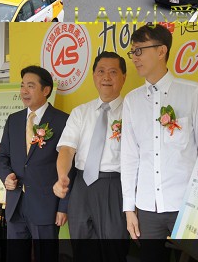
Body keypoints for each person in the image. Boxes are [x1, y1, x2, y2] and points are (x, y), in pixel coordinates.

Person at [121, 24, 198, 259]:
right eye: (132, 52)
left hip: (186, 204)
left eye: (139, 50)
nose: (134, 58)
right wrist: (129, 208)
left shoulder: (193, 93)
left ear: (161, 51)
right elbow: (130, 157)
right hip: (147, 208)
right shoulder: (132, 101)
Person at [53, 52, 128, 260]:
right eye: (101, 71)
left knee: (114, 250)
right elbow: (67, 149)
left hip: (115, 187)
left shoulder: (132, 111)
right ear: (94, 76)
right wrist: (62, 176)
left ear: (124, 77)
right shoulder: (80, 112)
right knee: (82, 250)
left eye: (113, 72)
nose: (106, 77)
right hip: (81, 187)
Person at [0, 66, 70, 261]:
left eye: (30, 86)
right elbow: (2, 156)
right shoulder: (13, 120)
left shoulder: (63, 121)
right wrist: (6, 177)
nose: (24, 91)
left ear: (46, 90)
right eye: (22, 86)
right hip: (16, 204)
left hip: (46, 206)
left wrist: (63, 207)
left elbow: (71, 166)